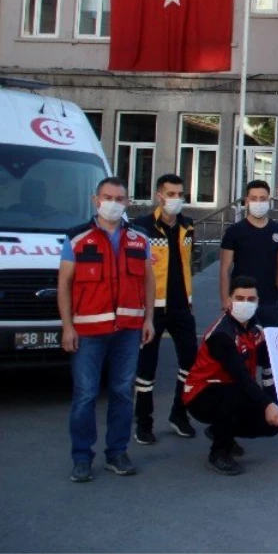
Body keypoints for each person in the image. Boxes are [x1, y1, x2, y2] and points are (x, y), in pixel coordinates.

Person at [57, 177, 156, 482]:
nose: (113, 203)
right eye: (107, 197)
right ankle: (82, 458)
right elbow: (64, 285)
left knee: (122, 394)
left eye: (120, 198)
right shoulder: (77, 239)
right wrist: (67, 327)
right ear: (96, 200)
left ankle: (117, 453)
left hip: (127, 329)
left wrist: (149, 319)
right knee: (85, 395)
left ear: (127, 203)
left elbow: (149, 282)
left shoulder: (139, 239)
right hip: (88, 332)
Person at [183, 277, 278, 476]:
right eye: (239, 298)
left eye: (250, 299)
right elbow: (241, 376)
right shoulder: (221, 334)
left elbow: (268, 364)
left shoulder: (257, 329)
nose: (245, 303)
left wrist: (276, 402)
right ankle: (219, 452)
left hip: (233, 391)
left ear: (257, 302)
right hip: (200, 395)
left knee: (273, 424)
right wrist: (267, 404)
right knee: (235, 392)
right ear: (229, 301)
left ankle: (221, 431)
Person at [131, 174, 198, 445]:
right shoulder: (141, 227)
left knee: (190, 364)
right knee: (147, 367)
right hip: (152, 308)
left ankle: (179, 415)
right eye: (171, 194)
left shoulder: (188, 227)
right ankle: (144, 422)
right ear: (159, 195)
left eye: (180, 194)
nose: (176, 199)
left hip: (182, 306)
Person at [219, 180, 278, 327]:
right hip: (240, 301)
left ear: (269, 200)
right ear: (247, 201)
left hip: (268, 302)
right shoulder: (234, 231)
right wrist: (225, 299)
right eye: (254, 198)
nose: (258, 202)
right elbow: (225, 269)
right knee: (240, 346)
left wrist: (276, 295)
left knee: (267, 346)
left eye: (262, 199)